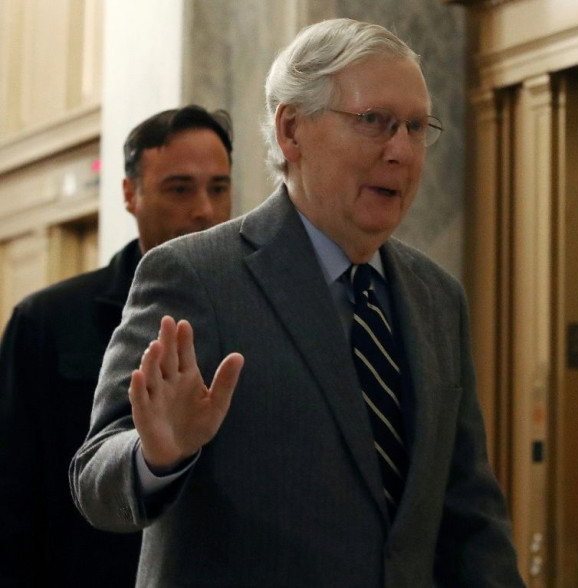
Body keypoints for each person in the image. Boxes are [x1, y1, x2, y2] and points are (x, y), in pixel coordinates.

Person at [70, 19, 524, 587]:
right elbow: (94, 481)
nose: (402, 152)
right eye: (374, 122)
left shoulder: (438, 298)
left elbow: (470, 516)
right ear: (291, 131)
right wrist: (158, 455)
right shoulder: (195, 276)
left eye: (415, 126)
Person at [0, 105, 234, 587]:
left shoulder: (251, 314)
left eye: (218, 187)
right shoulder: (47, 321)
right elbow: (12, 495)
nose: (204, 210)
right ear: (131, 194)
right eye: (180, 188)